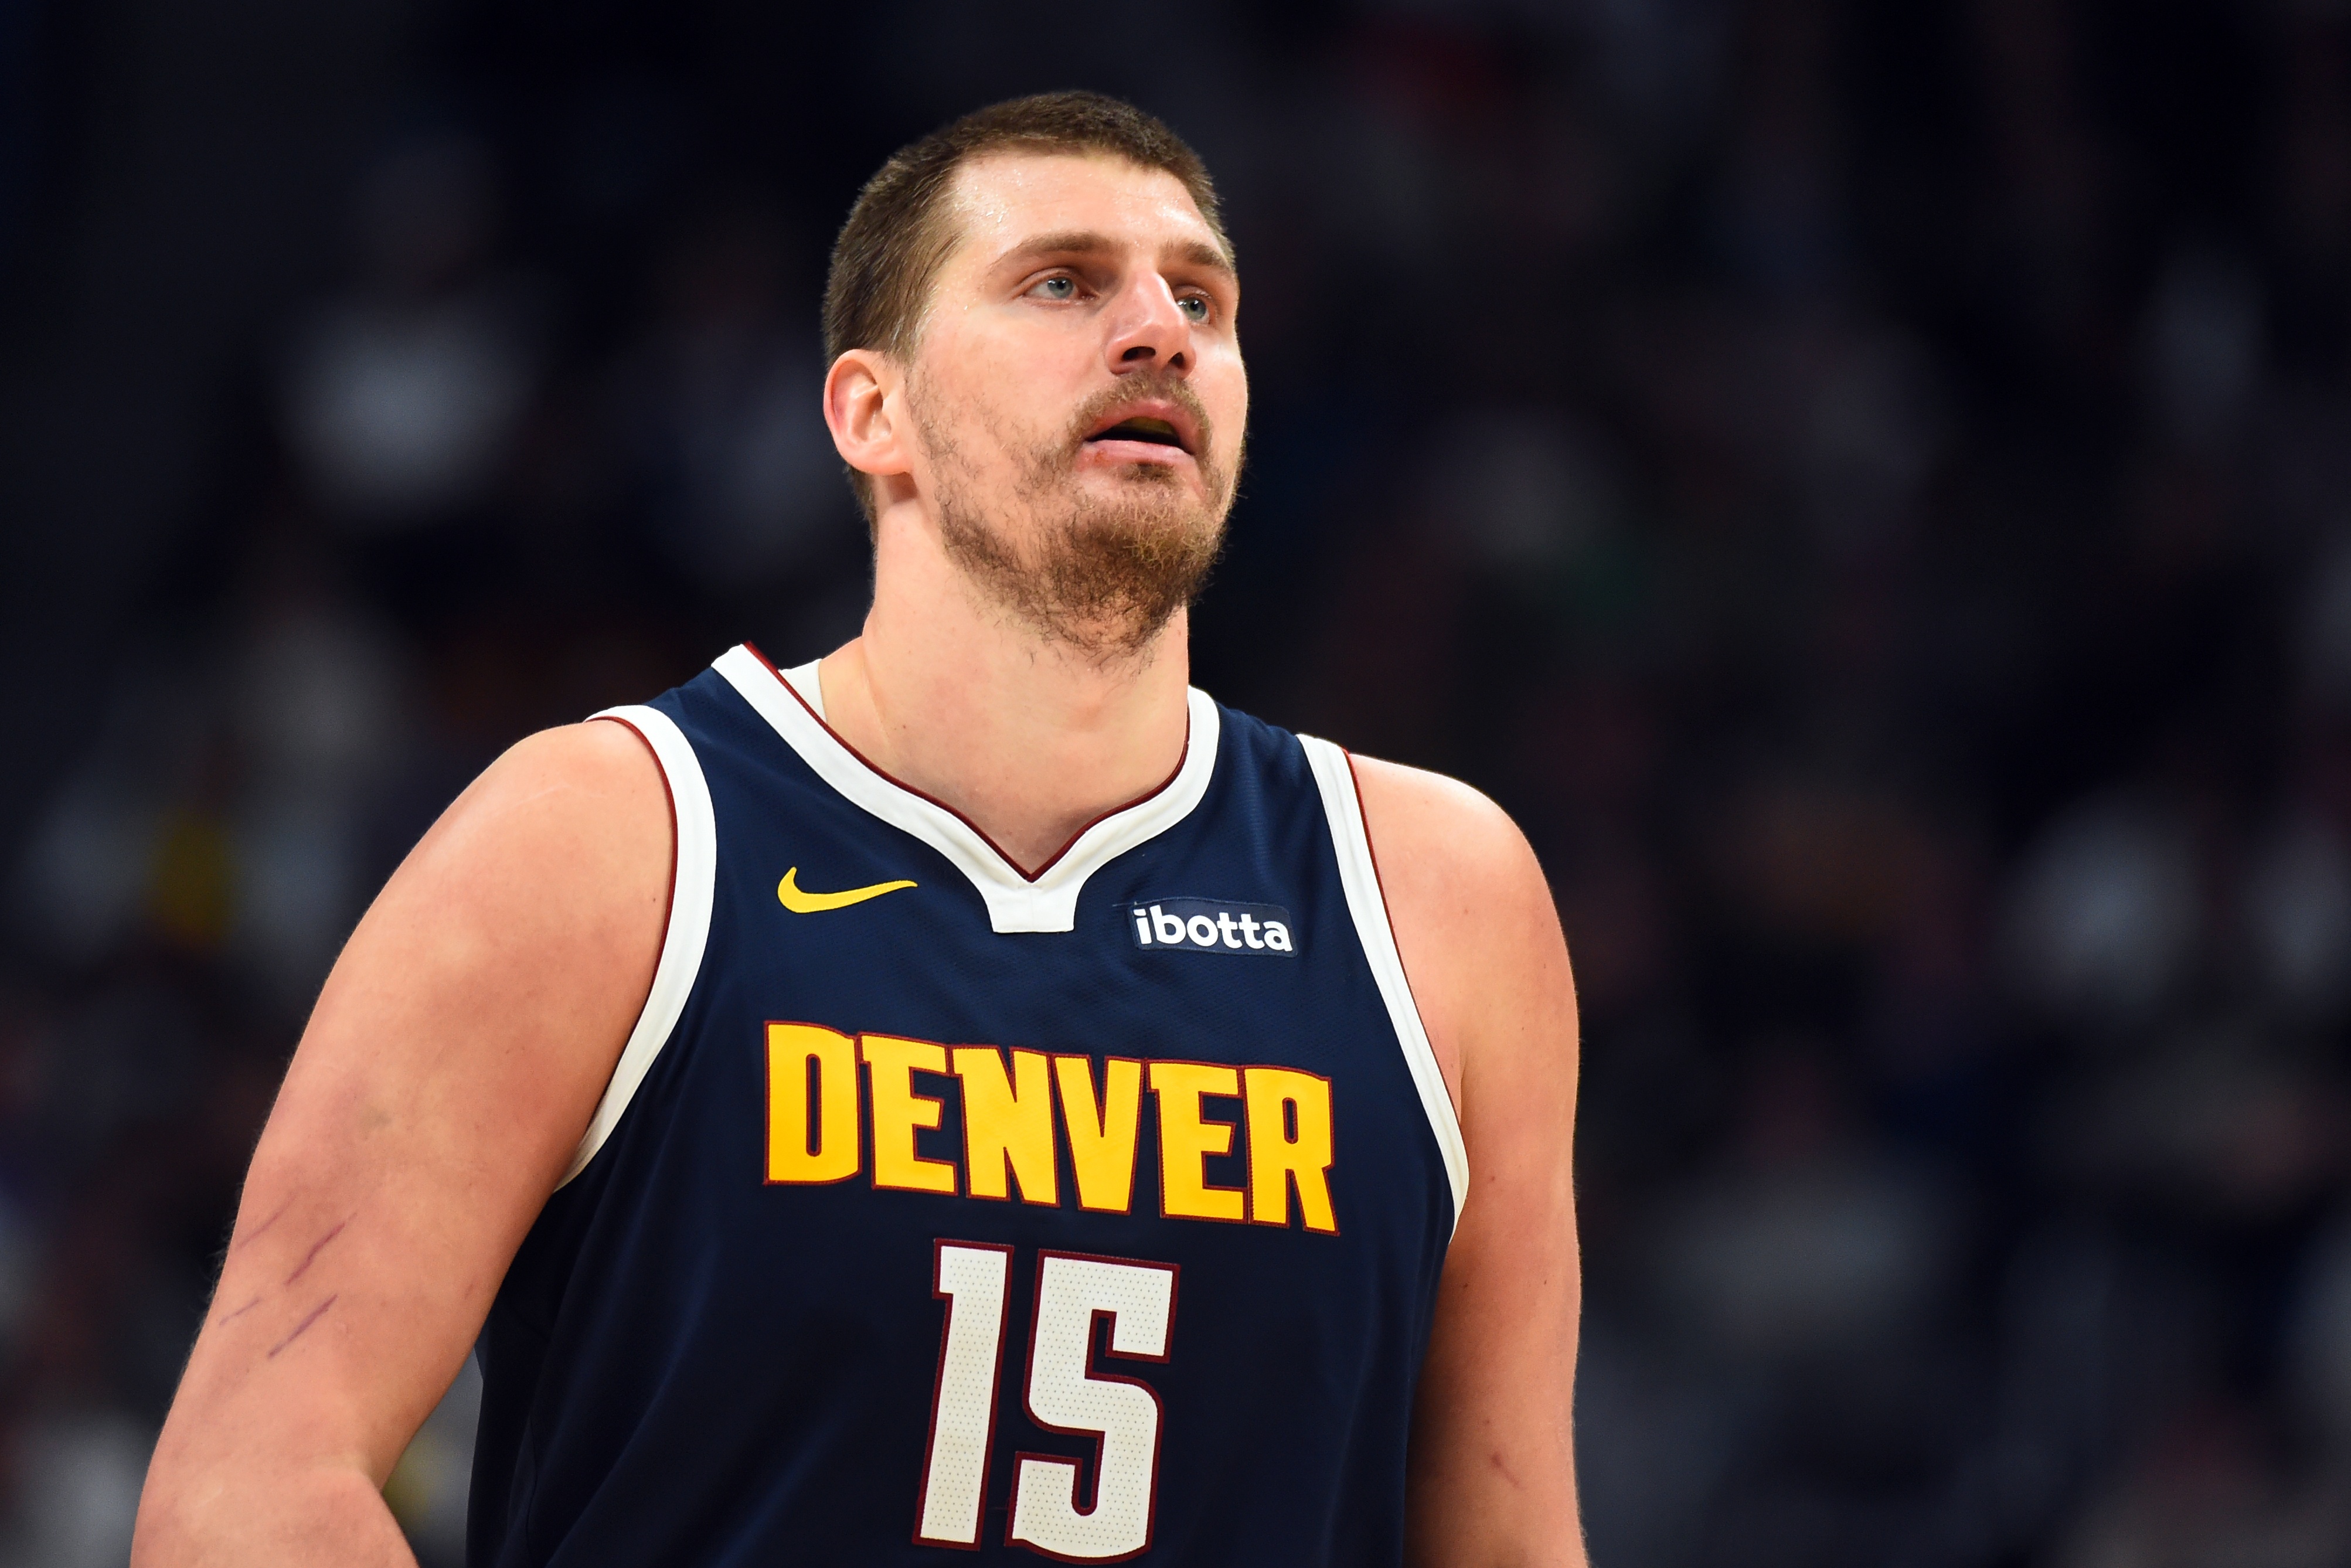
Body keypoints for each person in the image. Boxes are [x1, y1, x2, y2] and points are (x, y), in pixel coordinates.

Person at [133, 91, 1586, 1567]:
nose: (1159, 331)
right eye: (1062, 282)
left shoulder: (1438, 899)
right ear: (870, 414)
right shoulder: (603, 844)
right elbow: (249, 1490)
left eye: (1201, 299)